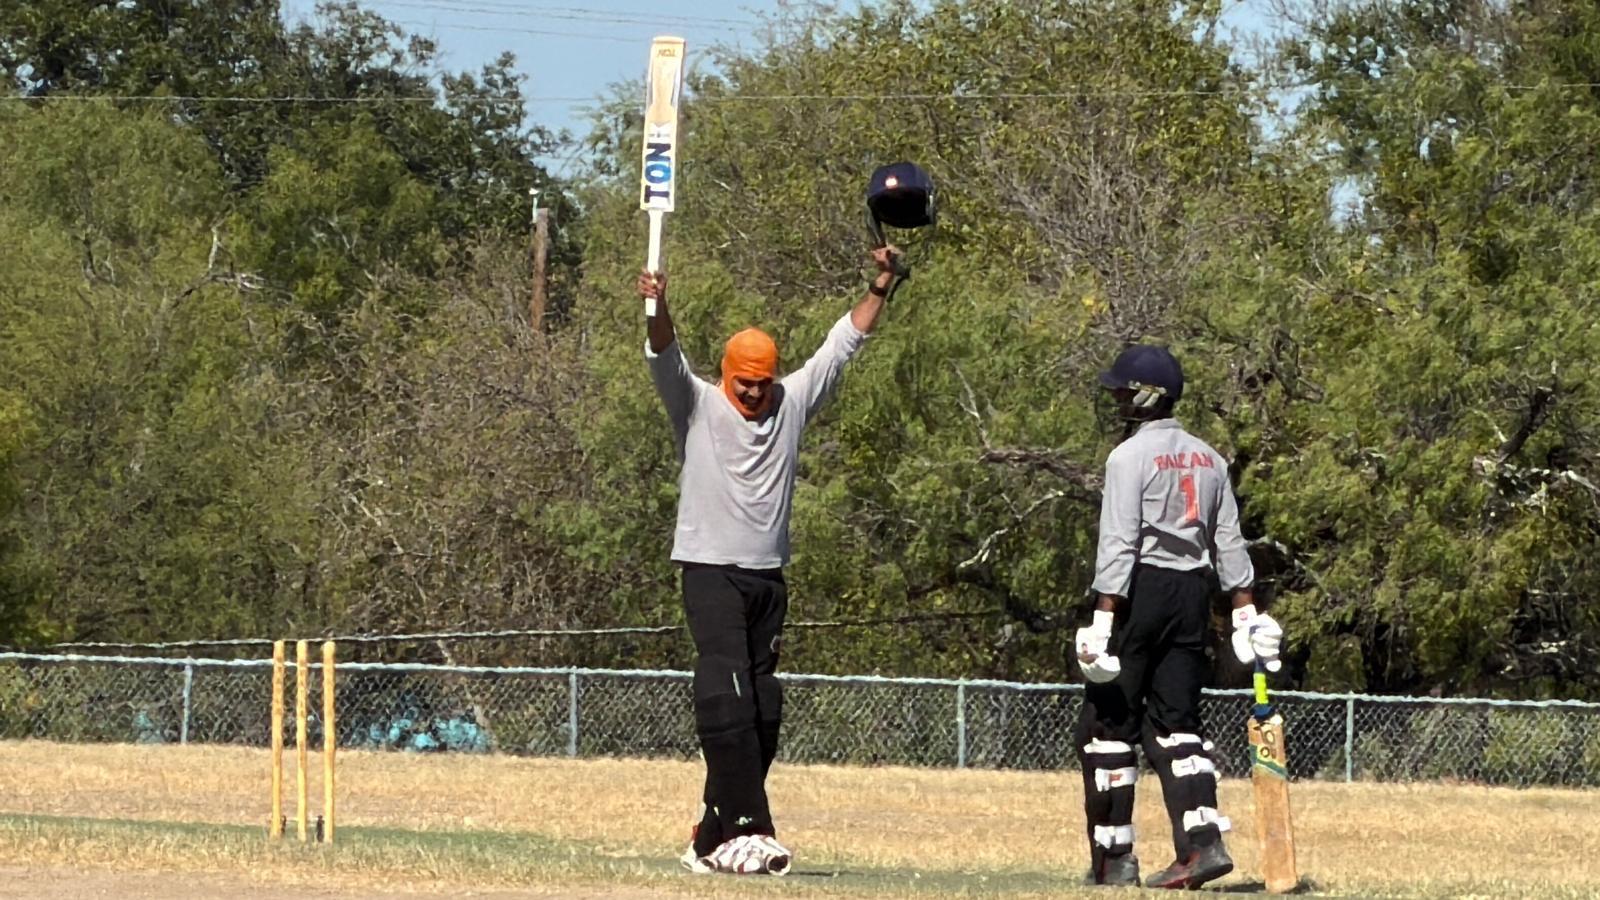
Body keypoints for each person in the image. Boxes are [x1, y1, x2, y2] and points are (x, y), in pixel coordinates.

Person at [639, 245, 902, 876]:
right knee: (725, 686)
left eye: (762, 383)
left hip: (767, 577)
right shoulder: (697, 404)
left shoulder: (791, 402)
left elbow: (843, 345)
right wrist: (657, 301)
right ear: (727, 375)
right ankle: (752, 828)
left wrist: (882, 286)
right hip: (709, 569)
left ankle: (710, 835)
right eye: (743, 384)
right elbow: (663, 353)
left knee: (763, 705)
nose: (754, 394)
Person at [1073, 344, 1285, 889]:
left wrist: (1102, 617)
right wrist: (1245, 610)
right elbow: (1229, 541)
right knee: (1176, 725)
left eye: (1124, 390)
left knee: (1108, 726)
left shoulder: (1127, 458)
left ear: (1148, 396)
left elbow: (1119, 541)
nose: (1118, 398)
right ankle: (1202, 845)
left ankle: (1114, 860)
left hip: (1138, 592)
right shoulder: (1210, 458)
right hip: (1192, 594)